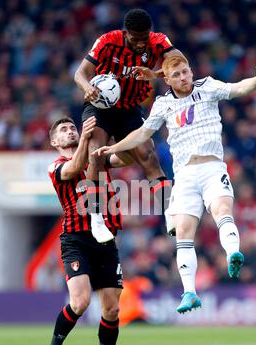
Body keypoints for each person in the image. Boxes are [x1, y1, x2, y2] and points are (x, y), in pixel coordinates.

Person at [92, 53, 256, 314]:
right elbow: (142, 134)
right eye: (176, 75)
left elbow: (237, 88)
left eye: (186, 72)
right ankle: (189, 292)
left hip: (212, 167)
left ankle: (233, 253)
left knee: (222, 209)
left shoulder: (207, 87)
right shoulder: (163, 105)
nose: (183, 77)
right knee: (184, 233)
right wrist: (113, 148)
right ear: (167, 79)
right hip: (185, 175)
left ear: (191, 70)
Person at [74, 8, 182, 242]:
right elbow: (80, 73)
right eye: (135, 39)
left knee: (148, 155)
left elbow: (180, 64)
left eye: (145, 38)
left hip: (130, 109)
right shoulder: (106, 41)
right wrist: (87, 88)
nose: (141, 44)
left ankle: (169, 211)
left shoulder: (158, 41)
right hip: (100, 107)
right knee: (95, 155)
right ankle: (97, 219)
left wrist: (154, 74)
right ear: (125, 33)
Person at [45, 115, 125, 345]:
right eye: (63, 130)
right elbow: (75, 167)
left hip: (105, 239)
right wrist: (89, 143)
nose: (70, 132)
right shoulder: (55, 165)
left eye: (72, 128)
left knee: (112, 309)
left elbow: (124, 159)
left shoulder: (97, 157)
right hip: (76, 238)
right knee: (80, 302)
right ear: (55, 142)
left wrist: (120, 134)